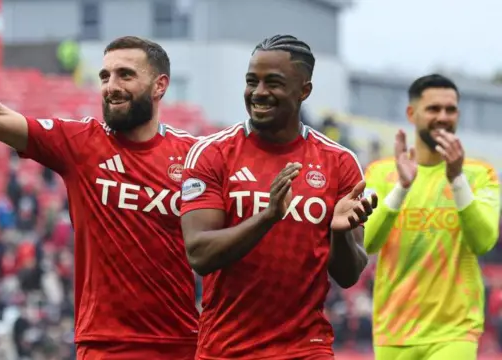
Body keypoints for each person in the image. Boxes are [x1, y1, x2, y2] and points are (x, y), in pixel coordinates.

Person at [0, 20, 199, 359]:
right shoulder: (81, 144)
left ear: (160, 86)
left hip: (183, 344)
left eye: (125, 75)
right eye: (105, 76)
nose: (111, 86)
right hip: (105, 345)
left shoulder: (196, 157)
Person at [179, 34, 377, 359]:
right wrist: (267, 217)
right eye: (251, 81)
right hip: (226, 349)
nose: (258, 92)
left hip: (305, 349)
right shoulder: (213, 154)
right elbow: (199, 255)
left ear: (304, 91)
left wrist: (339, 234)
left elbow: (348, 274)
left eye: (273, 83)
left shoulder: (339, 163)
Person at [363, 74, 500, 360]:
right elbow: (368, 242)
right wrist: (402, 188)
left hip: (455, 332)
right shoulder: (380, 172)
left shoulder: (479, 174)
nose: (443, 117)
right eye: (433, 109)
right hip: (394, 330)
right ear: (412, 114)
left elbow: (484, 242)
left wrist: (456, 179)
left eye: (450, 110)